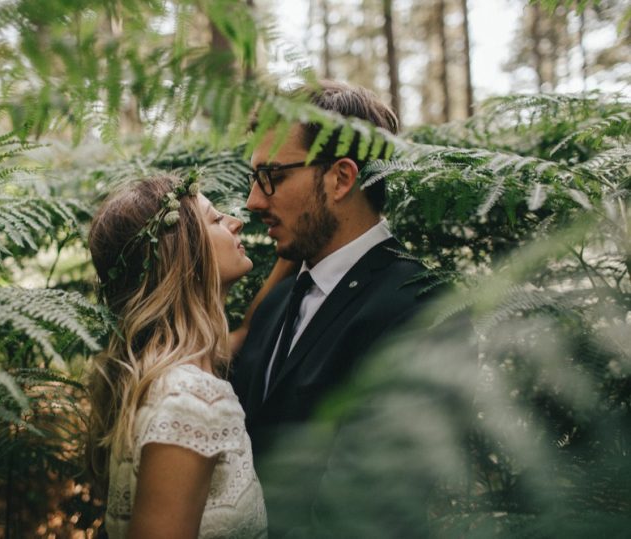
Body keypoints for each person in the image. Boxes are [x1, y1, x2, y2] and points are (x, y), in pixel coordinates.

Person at [231, 81, 435, 535]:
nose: (253, 201)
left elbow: (370, 513)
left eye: (272, 176)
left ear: (341, 178)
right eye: (254, 177)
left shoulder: (419, 305)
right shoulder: (279, 301)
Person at [87, 173, 267, 539]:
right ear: (184, 253)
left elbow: (247, 331)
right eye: (216, 219)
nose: (238, 222)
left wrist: (292, 253)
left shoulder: (168, 370)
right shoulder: (187, 401)